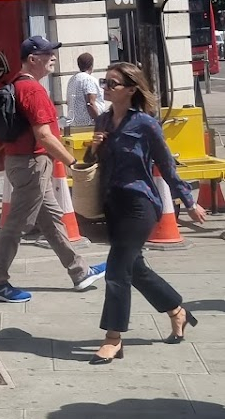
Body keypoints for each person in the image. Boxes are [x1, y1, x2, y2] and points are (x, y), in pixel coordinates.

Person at [85, 61, 206, 364]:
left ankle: (113, 338)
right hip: (112, 202)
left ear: (131, 89)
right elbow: (91, 161)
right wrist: (93, 147)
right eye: (105, 82)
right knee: (134, 267)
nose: (106, 88)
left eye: (113, 83)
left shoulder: (146, 123)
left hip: (140, 204)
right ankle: (177, 311)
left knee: (116, 269)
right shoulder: (102, 121)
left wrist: (189, 202)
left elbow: (166, 165)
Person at [0, 36, 107, 304]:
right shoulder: (34, 91)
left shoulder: (17, 86)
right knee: (15, 226)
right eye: (48, 53)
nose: (53, 57)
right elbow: (44, 136)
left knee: (52, 221)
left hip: (24, 163)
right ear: (32, 59)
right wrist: (72, 163)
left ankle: (80, 271)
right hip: (32, 165)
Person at [66, 52, 106, 127]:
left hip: (74, 123)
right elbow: (91, 103)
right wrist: (99, 122)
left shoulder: (72, 79)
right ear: (91, 65)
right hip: (88, 124)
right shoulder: (88, 80)